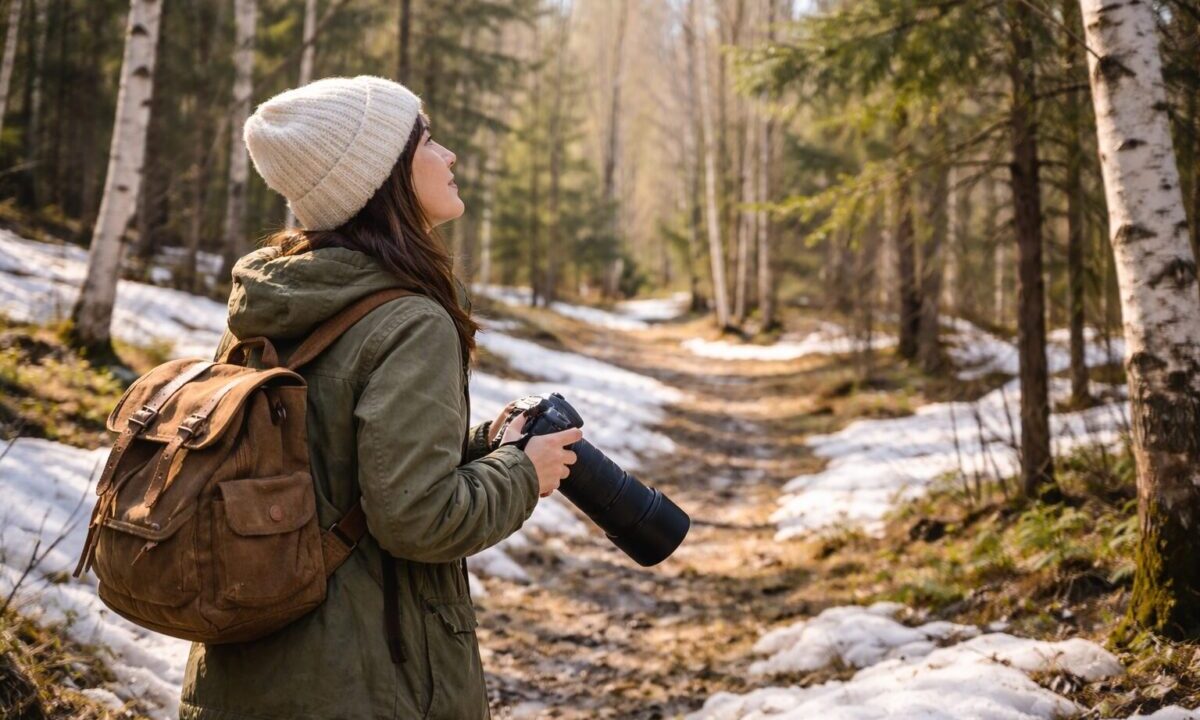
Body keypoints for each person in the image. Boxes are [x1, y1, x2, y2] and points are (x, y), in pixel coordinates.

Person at [180, 75, 582, 720]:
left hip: (243, 664)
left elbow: (320, 462)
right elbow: (418, 519)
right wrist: (522, 474)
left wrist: (480, 445)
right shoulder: (410, 320)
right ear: (382, 175)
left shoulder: (271, 302)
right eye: (427, 140)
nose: (449, 156)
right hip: (369, 681)